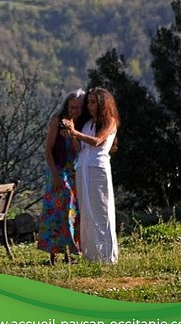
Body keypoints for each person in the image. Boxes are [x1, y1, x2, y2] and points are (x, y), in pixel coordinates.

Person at [62, 87, 120, 264]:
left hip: (98, 168)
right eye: (89, 102)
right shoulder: (88, 124)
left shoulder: (110, 121)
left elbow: (97, 141)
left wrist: (75, 132)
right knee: (87, 211)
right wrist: (71, 136)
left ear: (102, 103)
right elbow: (80, 148)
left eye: (93, 102)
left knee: (101, 210)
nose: (90, 105)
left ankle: (107, 256)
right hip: (83, 168)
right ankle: (91, 255)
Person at [37, 89, 86, 265]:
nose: (75, 111)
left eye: (79, 107)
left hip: (72, 170)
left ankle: (69, 252)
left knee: (72, 211)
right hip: (56, 170)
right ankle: (52, 254)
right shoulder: (56, 121)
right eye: (72, 107)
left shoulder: (78, 124)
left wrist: (72, 134)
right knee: (55, 210)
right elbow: (48, 151)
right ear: (67, 105)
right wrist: (55, 176)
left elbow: (78, 149)